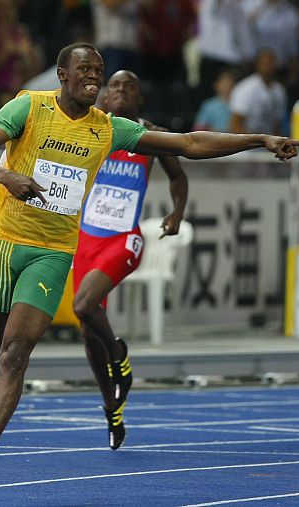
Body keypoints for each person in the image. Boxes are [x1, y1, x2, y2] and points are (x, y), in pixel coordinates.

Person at [0, 42, 299, 505]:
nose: (94, 77)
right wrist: (6, 178)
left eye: (99, 70)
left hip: (54, 254)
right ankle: (104, 358)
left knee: (14, 357)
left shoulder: (110, 130)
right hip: (7, 246)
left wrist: (260, 140)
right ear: (62, 74)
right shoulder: (28, 107)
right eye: (86, 70)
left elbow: (190, 144)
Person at [72, 70, 188, 451]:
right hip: (85, 239)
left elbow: (178, 176)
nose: (120, 90)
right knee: (88, 328)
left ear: (139, 99)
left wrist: (176, 213)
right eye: (114, 86)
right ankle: (112, 409)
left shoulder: (148, 135)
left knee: (84, 304)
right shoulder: (87, 129)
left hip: (123, 239)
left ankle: (119, 354)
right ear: (103, 98)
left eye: (129, 87)